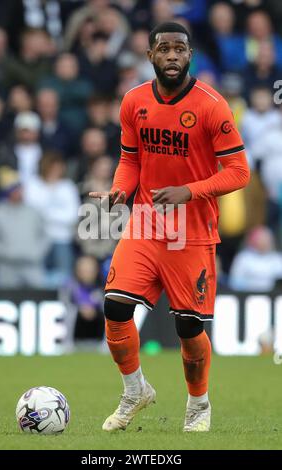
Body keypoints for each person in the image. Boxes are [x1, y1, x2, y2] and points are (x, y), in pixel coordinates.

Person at [89, 22, 250, 432]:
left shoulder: (213, 106)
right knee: (114, 306)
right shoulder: (133, 102)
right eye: (164, 49)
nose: (173, 56)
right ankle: (134, 390)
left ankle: (198, 405)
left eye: (180, 49)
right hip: (145, 223)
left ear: (190, 55)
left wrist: (190, 191)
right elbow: (130, 160)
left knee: (188, 327)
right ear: (150, 56)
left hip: (192, 231)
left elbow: (239, 172)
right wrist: (120, 191)